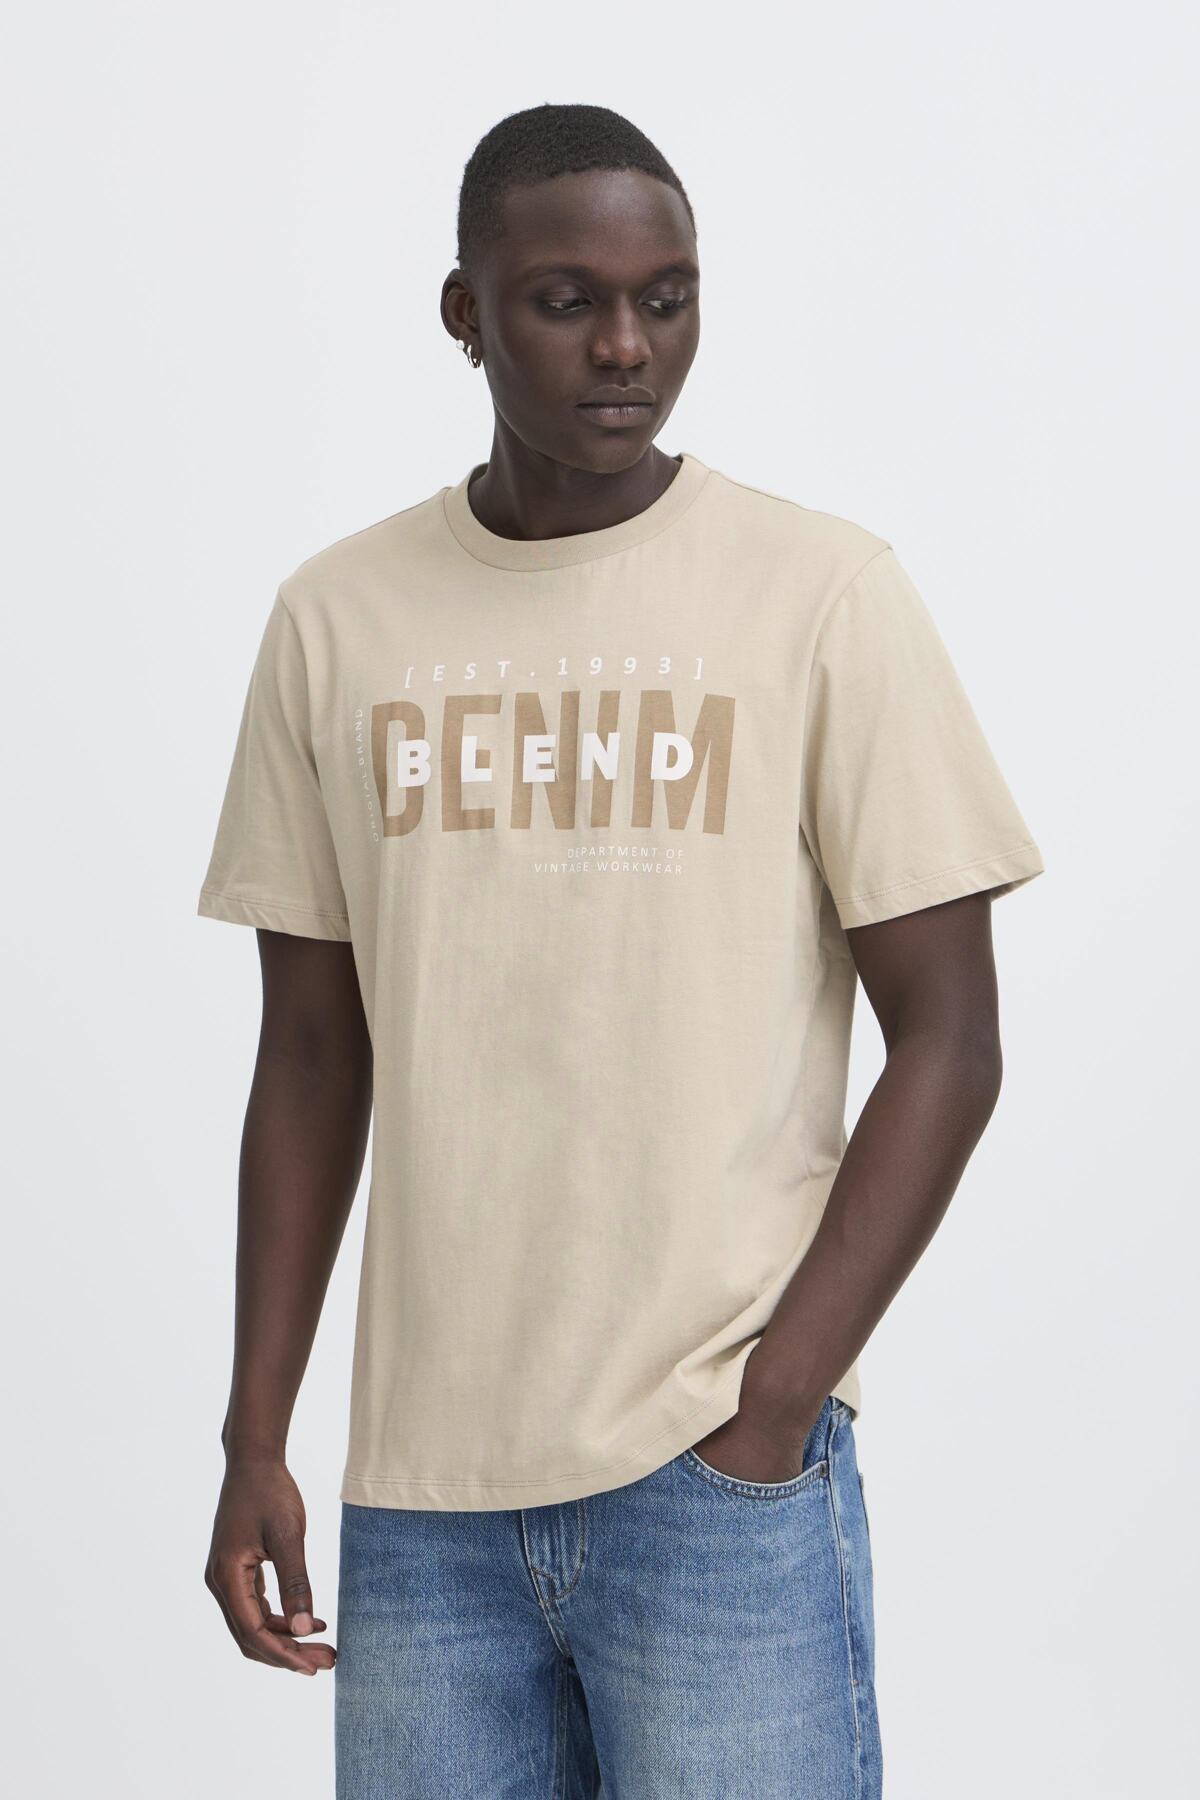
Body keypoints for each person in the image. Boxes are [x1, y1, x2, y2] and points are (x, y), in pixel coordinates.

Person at [198, 102, 1044, 1798]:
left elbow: (951, 1040)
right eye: (565, 300)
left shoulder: (819, 594)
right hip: (424, 1499)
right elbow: (310, 1051)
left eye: (667, 298)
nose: (625, 347)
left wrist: (778, 1406)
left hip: (717, 1474)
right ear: (465, 312)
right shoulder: (338, 618)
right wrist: (254, 1432)